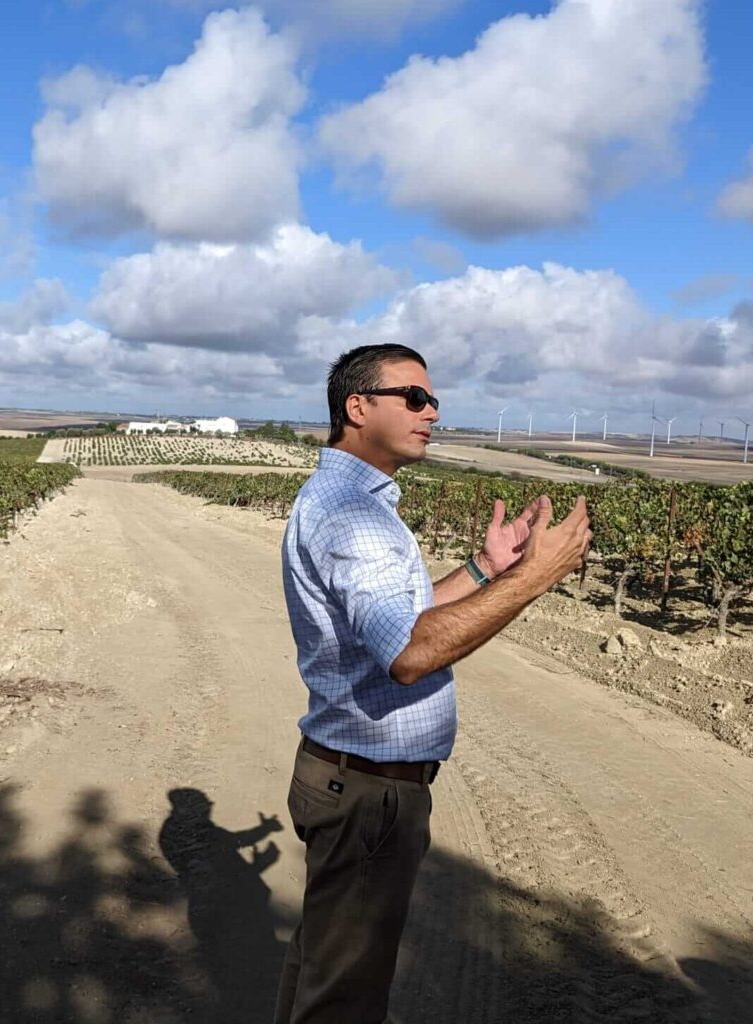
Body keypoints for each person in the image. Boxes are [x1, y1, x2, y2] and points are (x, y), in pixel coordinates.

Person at [274, 343, 591, 1024]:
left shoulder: (349, 501)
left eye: (433, 400)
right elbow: (412, 654)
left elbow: (399, 623)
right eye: (413, 397)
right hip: (369, 795)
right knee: (344, 1001)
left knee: (323, 969)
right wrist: (539, 576)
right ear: (358, 407)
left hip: (350, 781)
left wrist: (485, 568)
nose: (432, 411)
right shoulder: (353, 518)